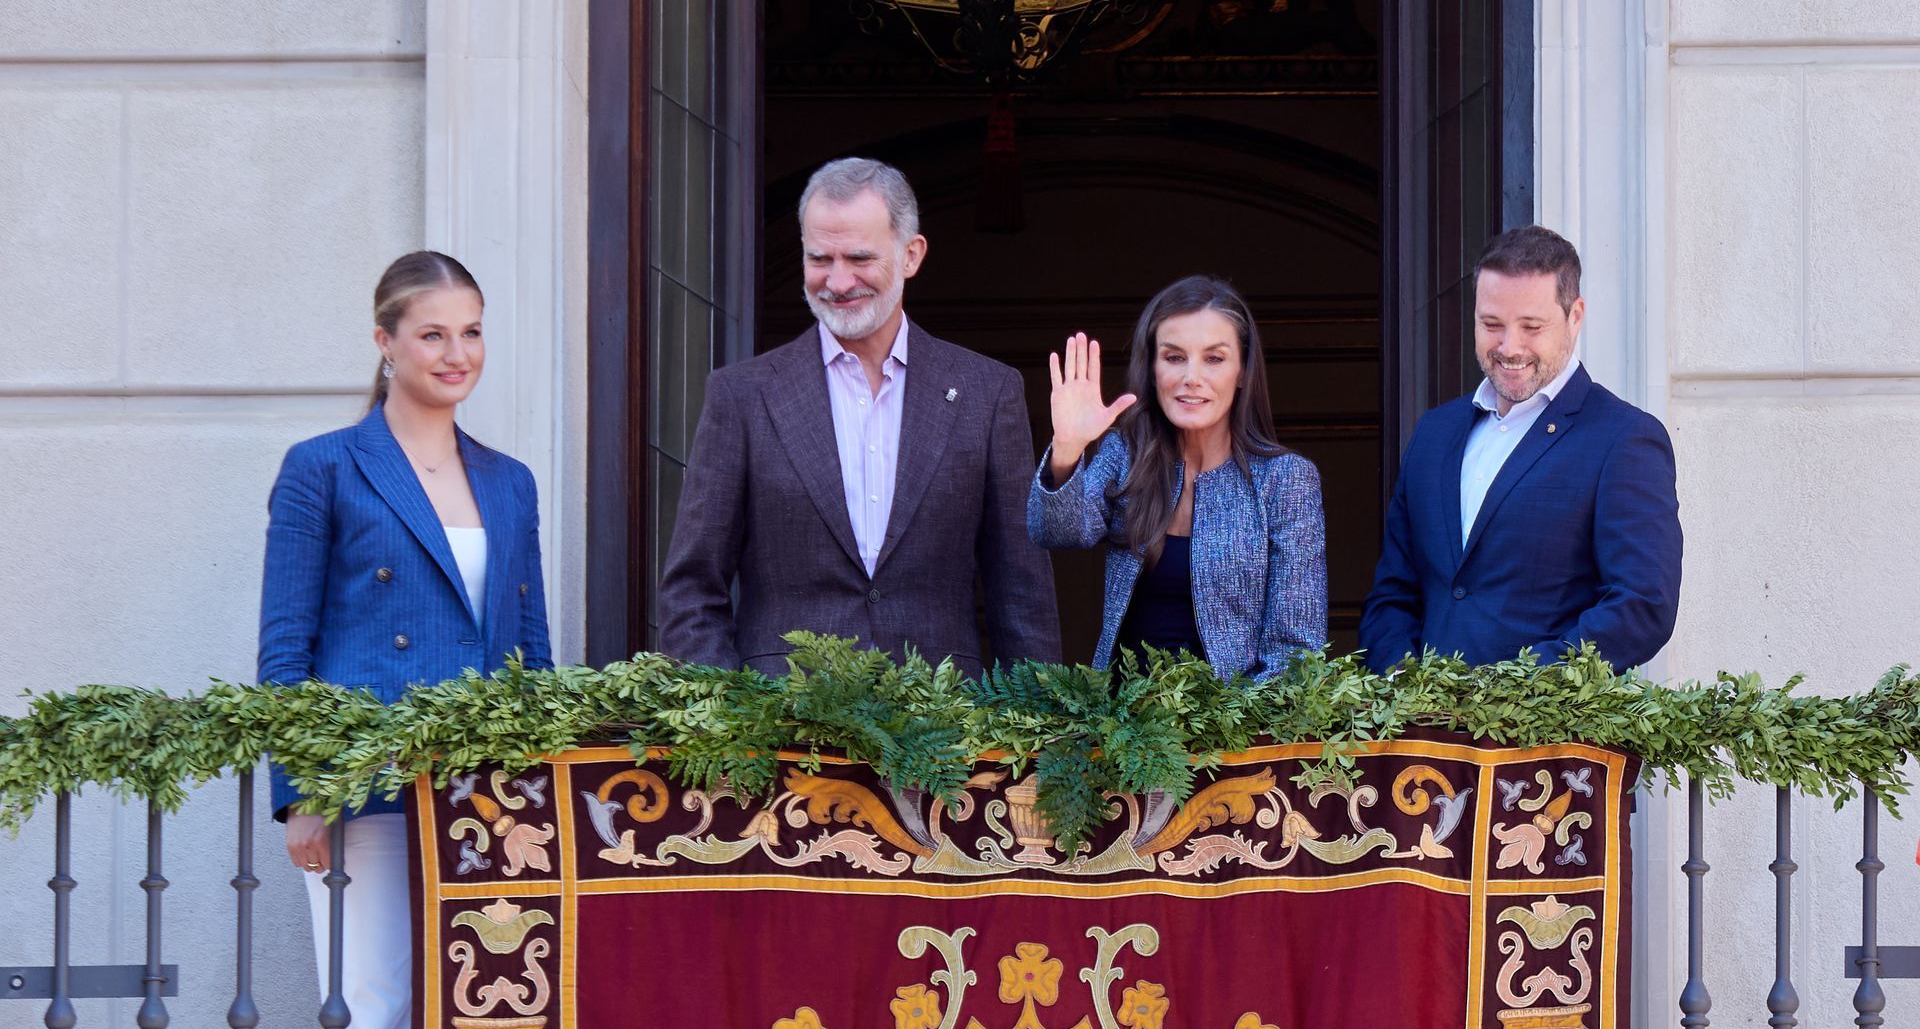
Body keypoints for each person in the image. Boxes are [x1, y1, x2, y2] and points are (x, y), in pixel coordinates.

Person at [257, 251, 552, 1029]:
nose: (457, 353)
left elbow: (533, 649)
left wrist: (536, 791)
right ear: (386, 342)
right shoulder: (324, 467)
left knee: (484, 1022)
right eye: (433, 334)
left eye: (472, 332)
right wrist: (302, 794)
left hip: (486, 792)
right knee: (376, 1023)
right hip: (366, 785)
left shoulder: (511, 481)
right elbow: (286, 647)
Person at [658, 157, 1060, 675]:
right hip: (779, 733)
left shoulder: (988, 391)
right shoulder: (741, 395)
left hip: (945, 733)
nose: (838, 281)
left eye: (859, 258)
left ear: (911, 255)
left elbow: (1021, 589)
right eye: (819, 258)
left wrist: (1033, 738)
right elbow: (692, 590)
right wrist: (729, 719)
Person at [1358, 225, 1682, 674]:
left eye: (1531, 327)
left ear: (1575, 317)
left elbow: (1642, 606)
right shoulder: (1434, 433)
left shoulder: (1625, 438)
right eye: (1491, 325)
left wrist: (1513, 690)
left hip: (1550, 739)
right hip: (1423, 737)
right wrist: (1403, 682)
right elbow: (1393, 594)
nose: (1509, 347)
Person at [1028, 275, 1327, 679]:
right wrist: (1068, 447)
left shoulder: (1286, 480)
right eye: (1173, 357)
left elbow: (1294, 655)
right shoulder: (1125, 453)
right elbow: (1057, 532)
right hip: (1122, 728)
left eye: (1214, 359)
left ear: (1242, 371)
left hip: (1234, 733)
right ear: (1152, 370)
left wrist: (1233, 736)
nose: (1192, 377)